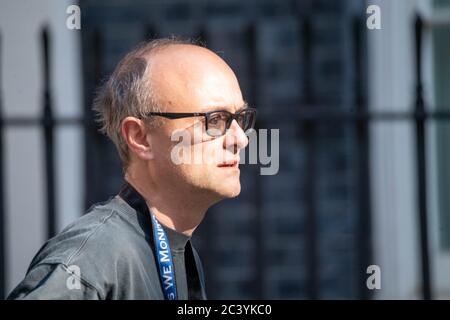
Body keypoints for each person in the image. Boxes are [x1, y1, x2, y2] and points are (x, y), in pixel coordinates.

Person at [7, 38, 256, 300]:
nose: (240, 139)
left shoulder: (179, 252)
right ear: (140, 137)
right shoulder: (94, 260)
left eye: (240, 118)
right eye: (215, 120)